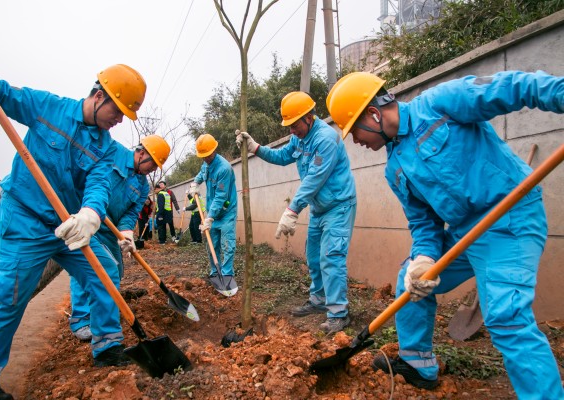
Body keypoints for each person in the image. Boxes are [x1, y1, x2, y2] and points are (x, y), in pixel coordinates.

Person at [326, 70, 564, 397]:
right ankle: (418, 364)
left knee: (506, 316)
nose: (355, 141)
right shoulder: (394, 169)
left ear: (373, 114)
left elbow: (513, 87)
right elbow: (424, 224)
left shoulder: (439, 105)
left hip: (510, 218)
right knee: (409, 282)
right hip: (466, 233)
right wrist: (424, 259)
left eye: (354, 130)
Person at [0, 64, 147, 400]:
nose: (120, 120)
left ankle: (108, 346)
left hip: (67, 225)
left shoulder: (106, 148)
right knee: (10, 292)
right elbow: (14, 99)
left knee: (104, 270)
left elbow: (99, 184)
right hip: (26, 219)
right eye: (118, 111)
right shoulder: (51, 108)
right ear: (99, 96)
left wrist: (90, 214)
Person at [236, 91, 357, 334]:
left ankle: (338, 313)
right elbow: (282, 156)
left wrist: (292, 209)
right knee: (313, 257)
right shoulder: (299, 138)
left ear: (309, 117)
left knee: (331, 257)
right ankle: (319, 300)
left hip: (338, 206)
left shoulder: (325, 139)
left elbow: (314, 178)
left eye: (294, 125)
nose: (292, 130)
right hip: (319, 208)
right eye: (289, 126)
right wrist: (255, 148)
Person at [68, 135, 169, 341]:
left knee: (116, 270)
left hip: (109, 229)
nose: (152, 170)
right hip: (88, 219)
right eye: (152, 164)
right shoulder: (113, 153)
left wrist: (126, 233)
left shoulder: (142, 186)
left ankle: (101, 312)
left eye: (156, 167)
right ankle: (81, 319)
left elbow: (131, 213)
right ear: (142, 153)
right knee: (88, 267)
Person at [188, 134, 238, 283]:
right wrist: (195, 183)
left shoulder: (224, 169)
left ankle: (227, 275)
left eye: (208, 155)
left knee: (227, 244)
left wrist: (209, 218)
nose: (206, 158)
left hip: (226, 212)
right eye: (203, 156)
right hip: (212, 211)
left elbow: (221, 196)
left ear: (214, 150)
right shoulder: (206, 164)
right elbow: (202, 173)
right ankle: (215, 273)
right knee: (212, 244)